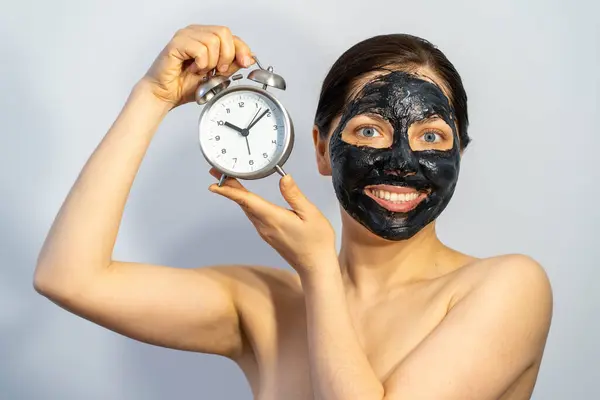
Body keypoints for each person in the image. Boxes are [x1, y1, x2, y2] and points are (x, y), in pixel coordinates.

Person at [33, 24, 553, 400]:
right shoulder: (264, 305)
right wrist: (152, 97)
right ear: (323, 150)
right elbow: (68, 277)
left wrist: (320, 270)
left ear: (457, 154)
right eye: (369, 130)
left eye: (431, 137)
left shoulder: (507, 288)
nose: (401, 163)